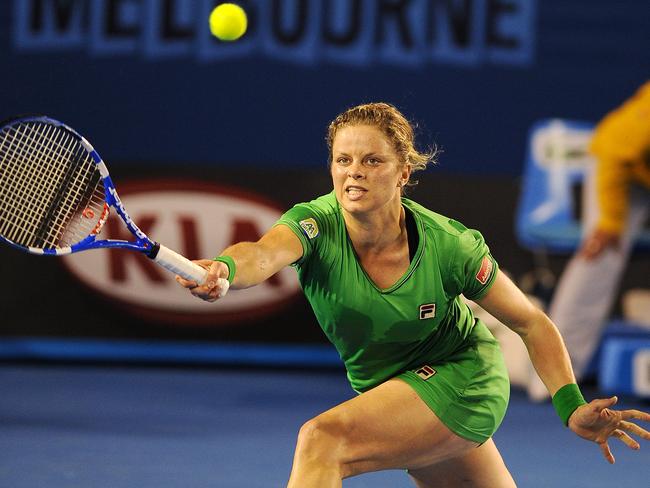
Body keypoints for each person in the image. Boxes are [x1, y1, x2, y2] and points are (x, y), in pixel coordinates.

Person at [176, 103, 650, 487]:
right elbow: (261, 254)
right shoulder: (313, 223)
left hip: (465, 377)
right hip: (397, 390)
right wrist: (225, 267)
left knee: (321, 440)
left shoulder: (451, 245)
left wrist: (569, 405)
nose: (353, 173)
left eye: (372, 160)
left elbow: (530, 321)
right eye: (343, 160)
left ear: (403, 173)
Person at [528, 82, 650, 401]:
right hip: (621, 171)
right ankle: (557, 377)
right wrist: (610, 222)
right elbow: (613, 154)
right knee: (601, 258)